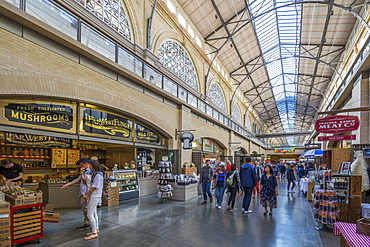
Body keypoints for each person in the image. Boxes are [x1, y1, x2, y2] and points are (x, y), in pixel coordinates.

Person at [61, 158, 92, 230]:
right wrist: (68, 184)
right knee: (84, 208)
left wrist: (81, 173)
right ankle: (87, 223)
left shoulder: (90, 171)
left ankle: (89, 224)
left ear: (86, 164)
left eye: (82, 165)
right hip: (83, 192)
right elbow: (79, 179)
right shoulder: (85, 170)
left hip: (86, 192)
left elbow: (85, 181)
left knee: (87, 209)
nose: (81, 167)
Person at [83, 161, 103, 240]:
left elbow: (94, 187)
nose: (89, 167)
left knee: (89, 214)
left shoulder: (98, 175)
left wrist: (87, 194)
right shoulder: (97, 174)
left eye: (90, 165)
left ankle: (94, 233)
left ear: (93, 166)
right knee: (94, 213)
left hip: (95, 196)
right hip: (95, 195)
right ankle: (96, 229)